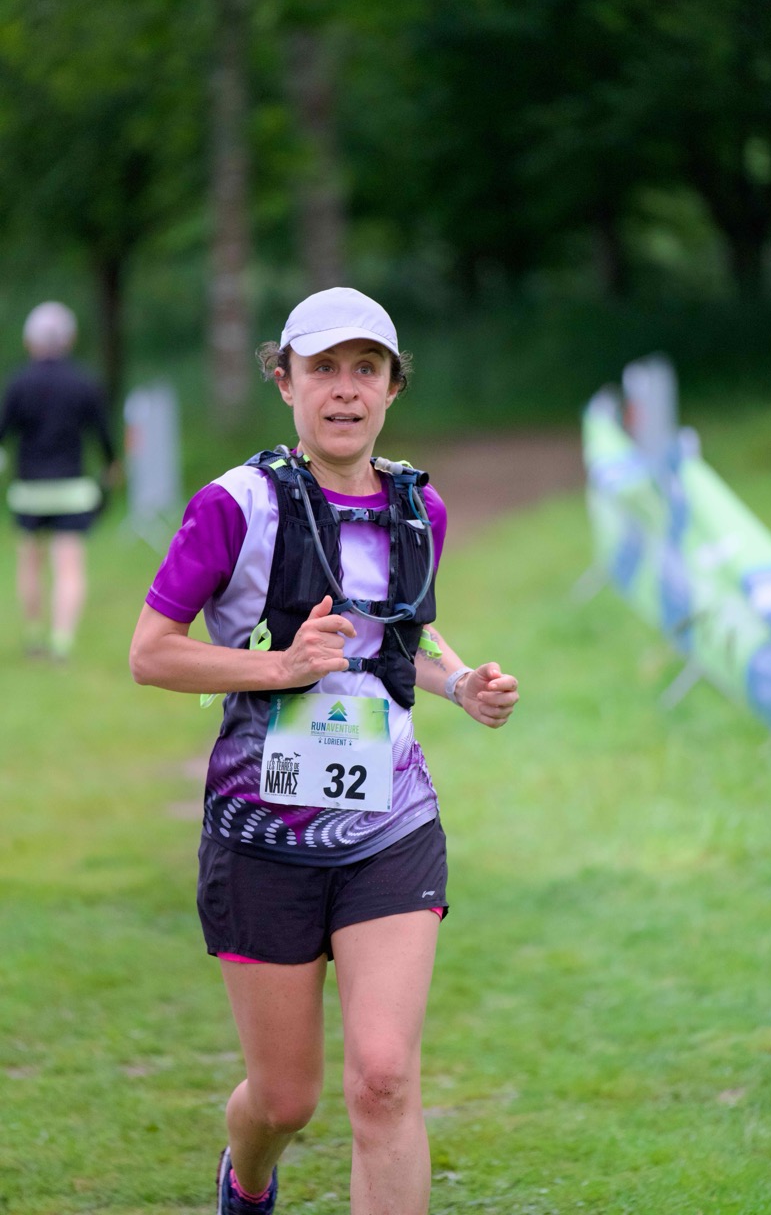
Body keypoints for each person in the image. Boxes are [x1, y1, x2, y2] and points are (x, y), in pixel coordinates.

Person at [129, 286, 519, 1215]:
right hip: (261, 833)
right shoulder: (234, 505)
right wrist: (280, 668)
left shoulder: (420, 507)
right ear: (285, 381)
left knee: (383, 1080)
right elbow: (152, 654)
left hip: (391, 823)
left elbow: (391, 641)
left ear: (391, 387)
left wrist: (458, 684)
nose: (345, 389)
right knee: (285, 1100)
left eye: (365, 370)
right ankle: (247, 1177)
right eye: (323, 369)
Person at [0, 301, 118, 660]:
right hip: (71, 490)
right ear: (69, 339)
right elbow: (102, 433)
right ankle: (61, 642)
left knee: (30, 564)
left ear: (30, 341)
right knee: (69, 568)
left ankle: (34, 636)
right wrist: (111, 465)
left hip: (29, 490)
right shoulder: (83, 383)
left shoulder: (19, 383)